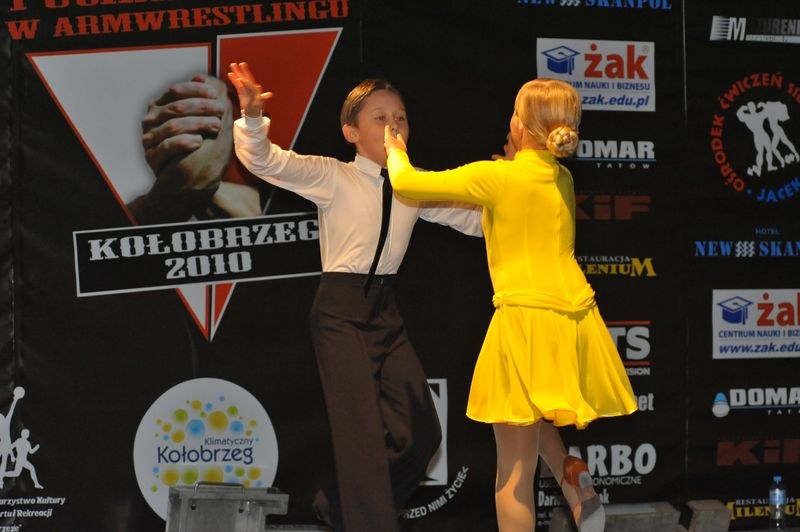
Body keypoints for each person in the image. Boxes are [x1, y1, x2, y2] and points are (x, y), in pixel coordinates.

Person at [227, 62, 483, 532]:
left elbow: (473, 219)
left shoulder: (414, 184)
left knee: (423, 433)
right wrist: (253, 118)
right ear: (351, 132)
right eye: (380, 118)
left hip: (386, 312)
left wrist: (515, 194)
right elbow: (266, 162)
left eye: (400, 117)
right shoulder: (333, 176)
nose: (393, 126)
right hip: (340, 314)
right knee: (361, 439)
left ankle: (340, 507)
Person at [384, 78, 637, 532]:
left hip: (524, 319)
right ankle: (570, 475)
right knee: (529, 413)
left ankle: (566, 476)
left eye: (514, 113)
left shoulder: (497, 177)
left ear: (520, 125)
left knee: (513, 475)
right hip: (572, 320)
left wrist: (394, 148)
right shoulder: (562, 177)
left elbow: (406, 182)